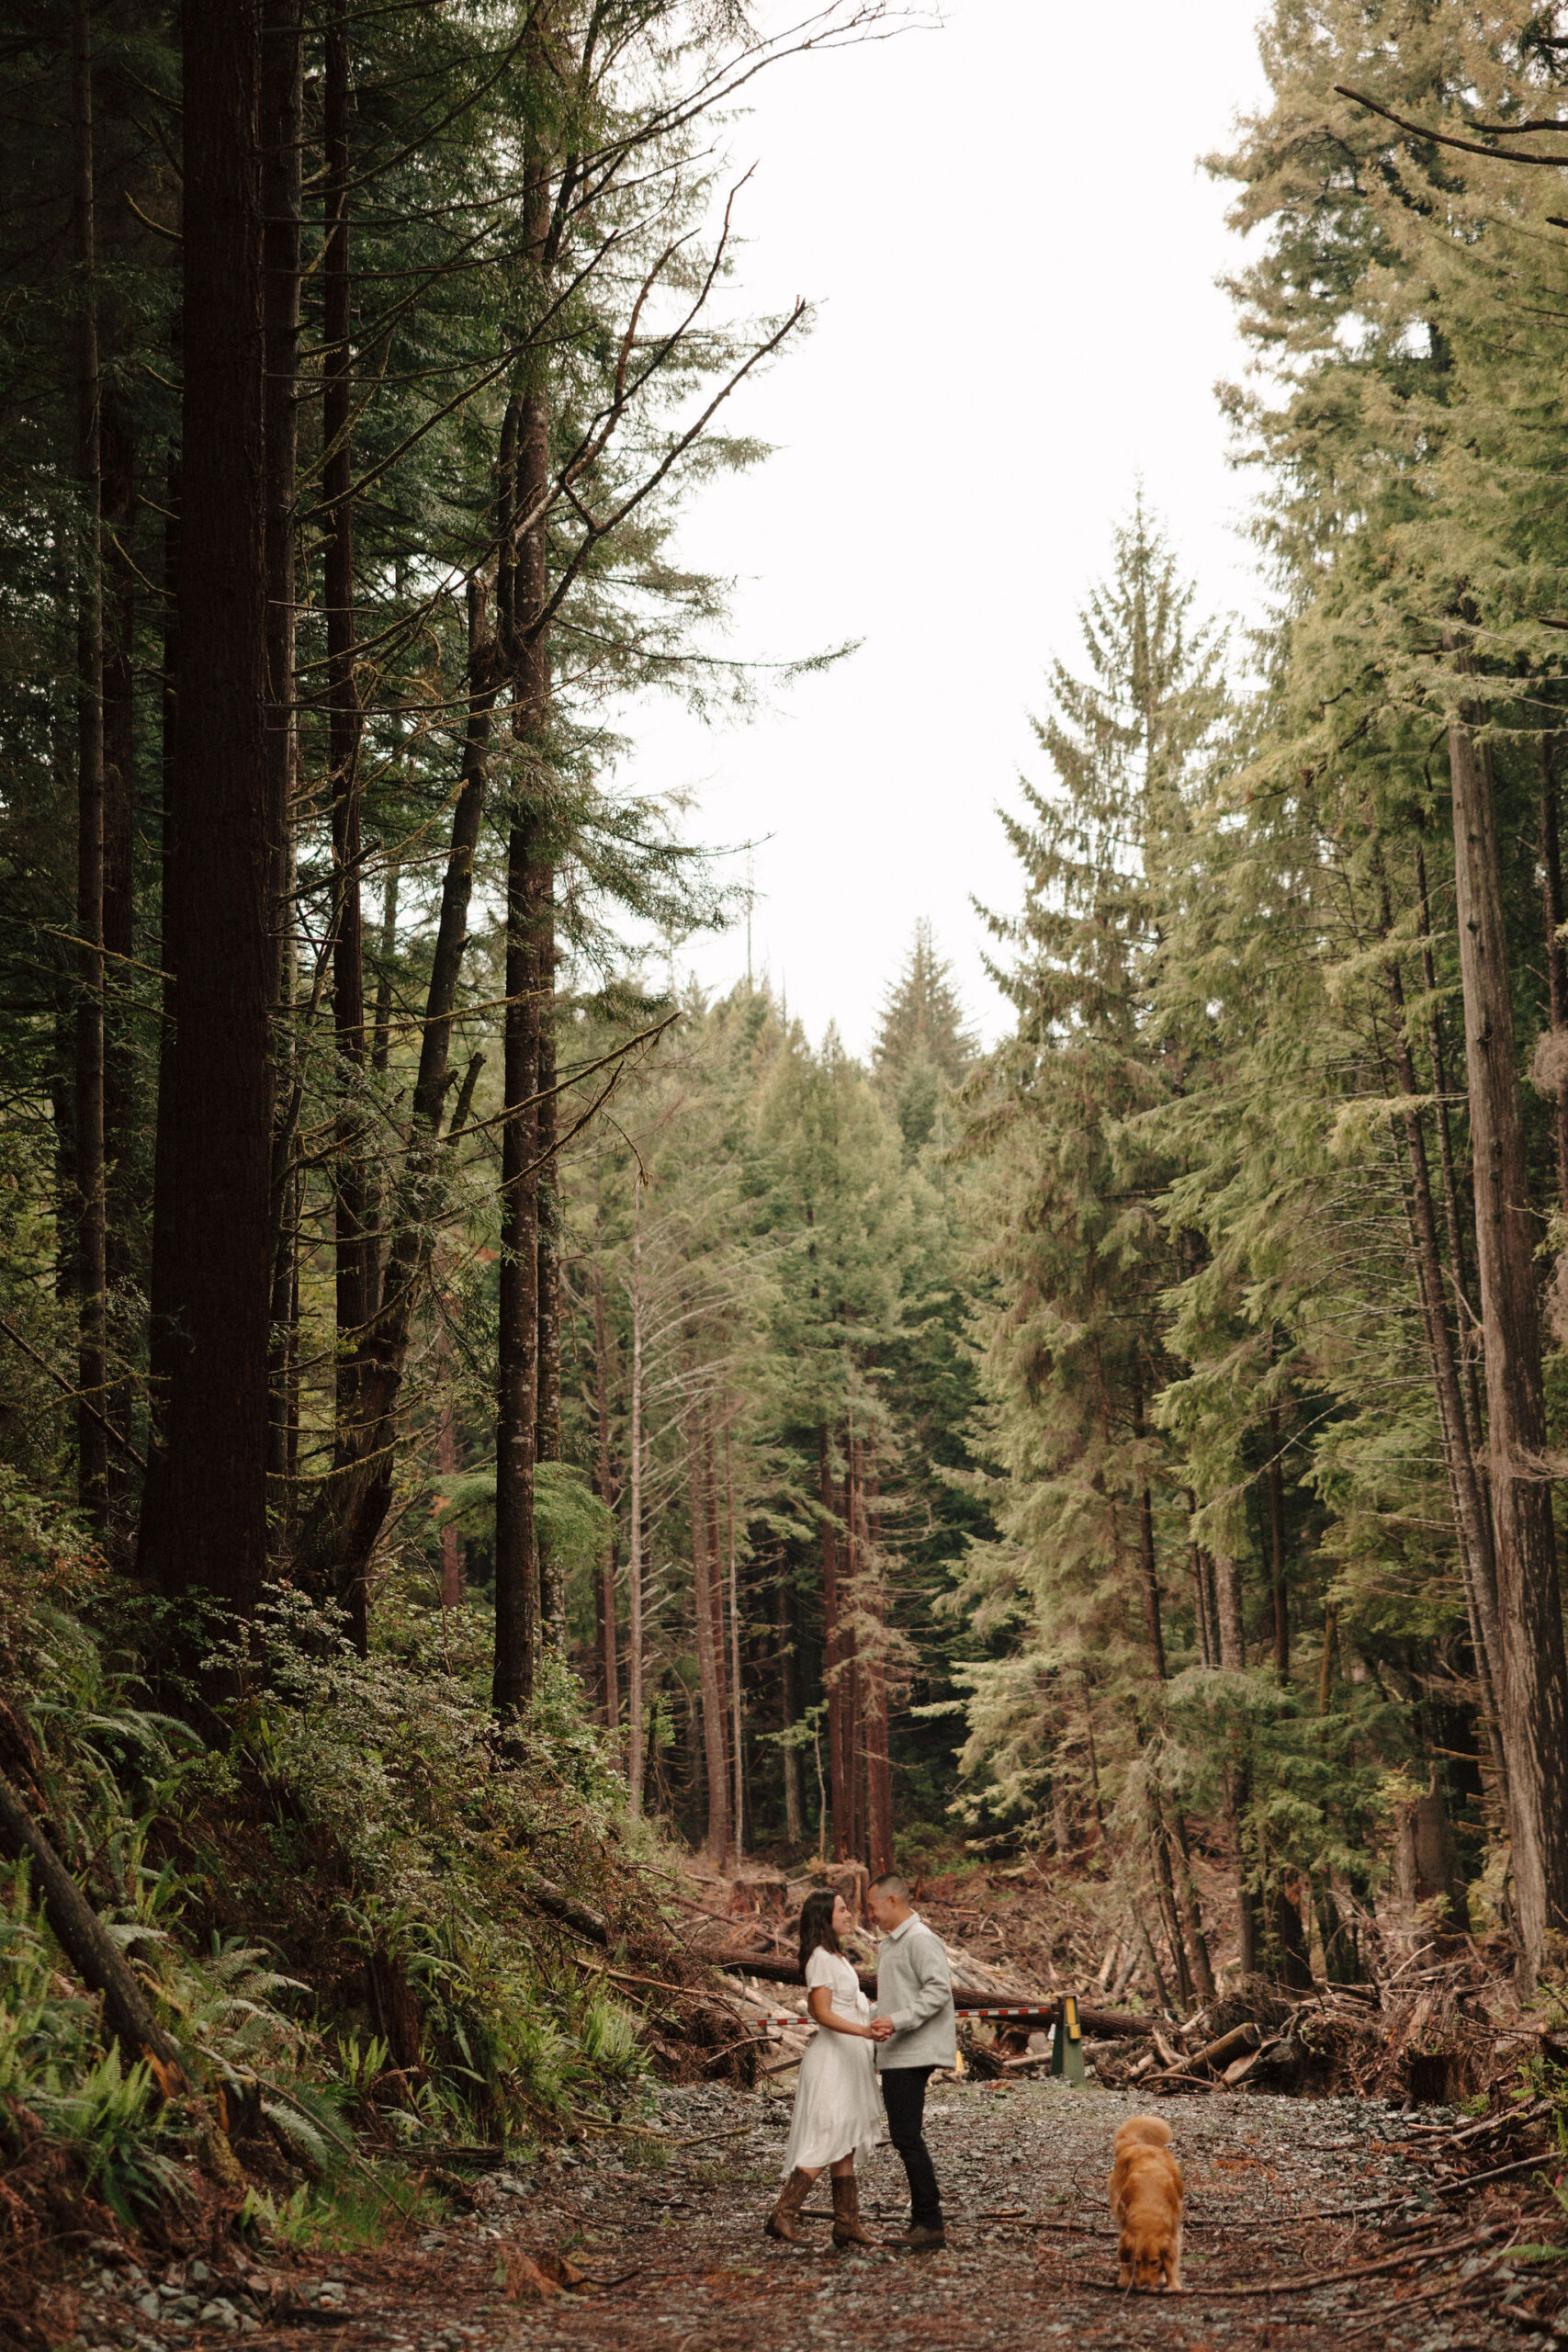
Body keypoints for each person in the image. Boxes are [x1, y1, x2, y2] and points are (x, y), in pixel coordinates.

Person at [766, 1888, 888, 2249]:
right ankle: (783, 2213)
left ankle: (847, 2223)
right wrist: (864, 2029)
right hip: (833, 2059)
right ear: (824, 1917)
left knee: (846, 2140)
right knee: (830, 2135)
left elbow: (851, 2003)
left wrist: (875, 2017)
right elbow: (821, 2011)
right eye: (841, 1909)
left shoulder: (837, 1956)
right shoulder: (820, 1957)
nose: (850, 1913)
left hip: (851, 2056)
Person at [866, 1870, 955, 2251]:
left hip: (913, 2051)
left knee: (907, 2138)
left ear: (892, 1901)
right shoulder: (890, 1945)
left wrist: (898, 2021)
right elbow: (894, 1999)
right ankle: (925, 2220)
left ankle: (929, 2223)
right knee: (907, 2137)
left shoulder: (919, 1940)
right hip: (896, 2051)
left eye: (872, 1906)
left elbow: (939, 1989)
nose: (869, 1915)